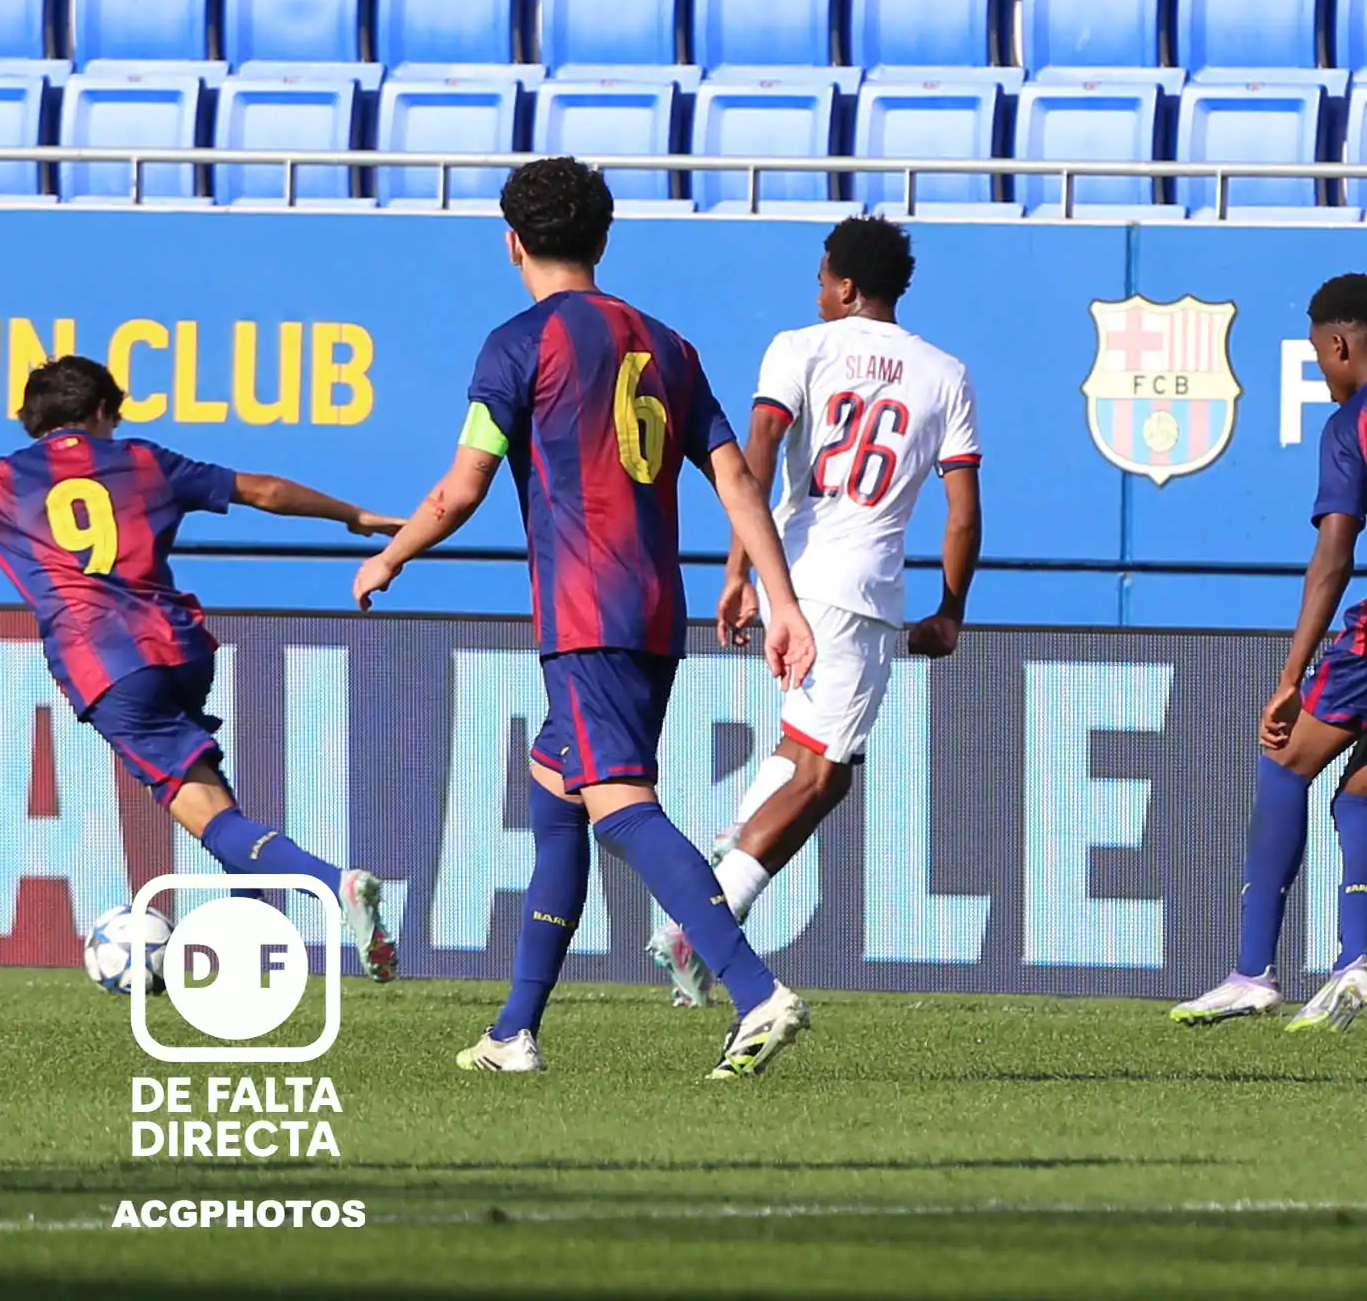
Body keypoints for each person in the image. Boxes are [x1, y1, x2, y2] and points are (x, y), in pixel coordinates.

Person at [351, 156, 818, 1080]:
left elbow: (460, 488)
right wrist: (783, 603)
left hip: (584, 608)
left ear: (511, 244)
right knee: (556, 790)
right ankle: (513, 1032)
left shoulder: (516, 344)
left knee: (619, 804)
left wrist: (391, 554)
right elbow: (734, 477)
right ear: (603, 239)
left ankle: (756, 992)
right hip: (653, 606)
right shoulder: (669, 345)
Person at [0, 355, 406, 978]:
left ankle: (334, 885)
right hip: (181, 647)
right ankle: (251, 959)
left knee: (208, 816)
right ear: (102, 411)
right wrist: (353, 515)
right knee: (213, 802)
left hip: (107, 666)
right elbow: (264, 490)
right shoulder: (144, 460)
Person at [648, 216, 983, 1008]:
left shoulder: (797, 347)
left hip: (791, 573)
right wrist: (950, 609)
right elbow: (963, 511)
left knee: (806, 750)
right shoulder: (946, 373)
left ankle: (734, 848)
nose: (818, 292)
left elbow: (756, 454)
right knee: (827, 772)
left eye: (822, 279)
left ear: (846, 286)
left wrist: (741, 571)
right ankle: (705, 921)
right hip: (862, 587)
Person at [1173, 273, 1367, 1032]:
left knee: (1285, 758)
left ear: (1340, 344)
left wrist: (1291, 678)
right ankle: (1358, 961)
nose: (1323, 370)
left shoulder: (1352, 423)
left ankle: (1252, 971)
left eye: (1320, 355)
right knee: (1359, 792)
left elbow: (1333, 558)